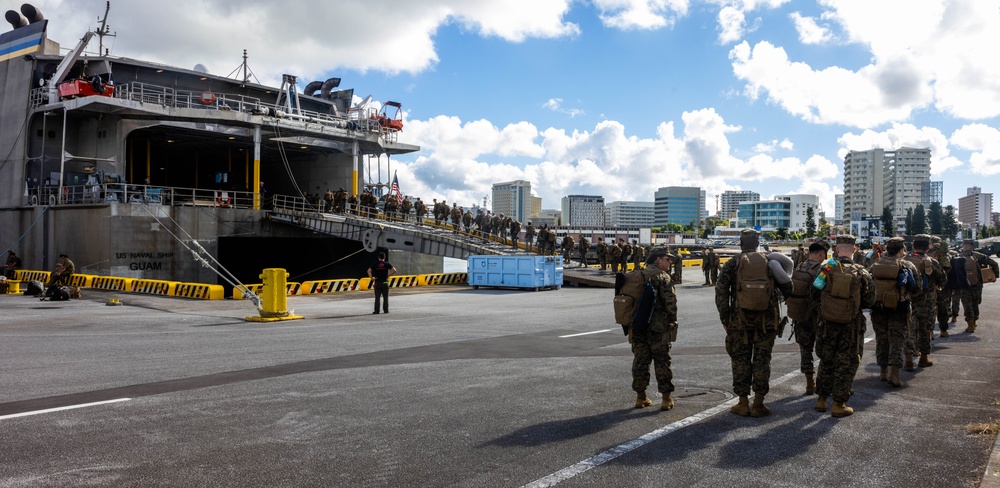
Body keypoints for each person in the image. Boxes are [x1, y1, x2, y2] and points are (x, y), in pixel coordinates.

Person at [715, 229, 792, 417]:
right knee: (762, 361)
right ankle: (758, 404)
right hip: (766, 322)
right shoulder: (771, 262)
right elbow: (788, 287)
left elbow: (721, 293)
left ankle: (742, 403)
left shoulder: (733, 263)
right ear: (758, 244)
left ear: (741, 243)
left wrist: (725, 319)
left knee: (740, 360)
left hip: (739, 321)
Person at [815, 235, 875, 418]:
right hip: (851, 326)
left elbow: (814, 292)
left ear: (836, 249)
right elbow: (870, 300)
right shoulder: (862, 272)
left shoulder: (826, 269)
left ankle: (821, 399)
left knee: (827, 360)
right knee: (846, 363)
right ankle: (839, 404)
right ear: (855, 249)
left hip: (827, 323)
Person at [630, 247, 679, 411]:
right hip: (658, 328)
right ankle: (666, 399)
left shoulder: (638, 274)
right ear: (658, 259)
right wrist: (672, 320)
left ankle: (640, 397)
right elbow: (670, 303)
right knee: (662, 361)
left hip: (638, 326)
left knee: (640, 361)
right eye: (667, 259)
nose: (670, 262)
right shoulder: (662, 277)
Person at [868, 237, 917, 386]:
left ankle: (883, 372)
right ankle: (894, 374)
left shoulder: (876, 265)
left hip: (878, 308)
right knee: (897, 339)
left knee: (881, 339)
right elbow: (917, 286)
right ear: (901, 250)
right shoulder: (906, 265)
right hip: (898, 308)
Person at [786, 240, 829, 394]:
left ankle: (810, 383)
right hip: (817, 317)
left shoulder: (798, 267)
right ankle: (824, 385)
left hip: (800, 315)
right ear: (821, 253)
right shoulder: (822, 271)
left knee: (805, 351)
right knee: (825, 352)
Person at [904, 235, 945, 368]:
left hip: (907, 301)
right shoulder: (932, 262)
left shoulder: (903, 261)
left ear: (913, 246)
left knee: (908, 329)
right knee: (925, 329)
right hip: (926, 302)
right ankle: (924, 358)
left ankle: (908, 359)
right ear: (928, 247)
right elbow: (943, 280)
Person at [958, 238, 998, 333]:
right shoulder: (979, 256)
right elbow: (994, 263)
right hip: (977, 284)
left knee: (967, 304)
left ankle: (970, 324)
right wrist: (994, 275)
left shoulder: (958, 257)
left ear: (964, 246)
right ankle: (974, 321)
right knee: (975, 303)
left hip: (964, 284)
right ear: (972, 247)